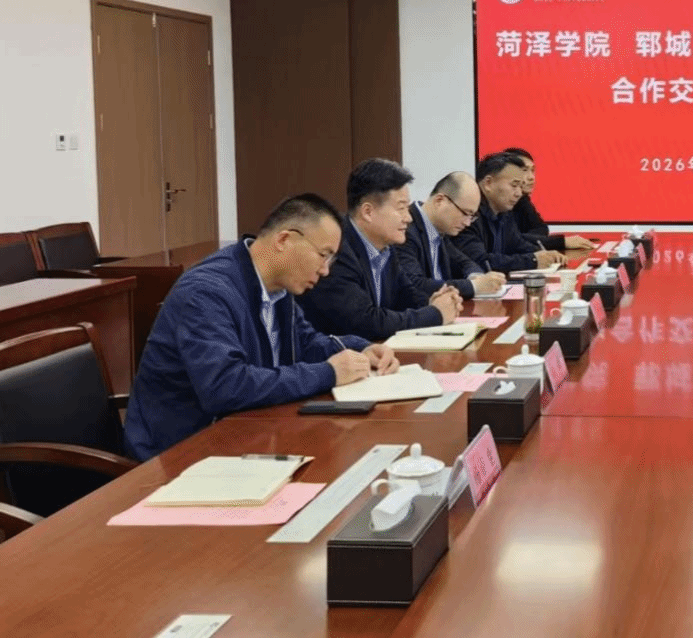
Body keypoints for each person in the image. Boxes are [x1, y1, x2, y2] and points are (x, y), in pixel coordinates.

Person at [124, 194, 399, 461]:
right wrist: (329, 373)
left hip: (244, 434)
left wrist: (361, 348)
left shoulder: (277, 286)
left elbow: (305, 343)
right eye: (323, 255)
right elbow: (225, 386)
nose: (325, 270)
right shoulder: (206, 293)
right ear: (284, 240)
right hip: (179, 453)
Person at [298, 158, 463, 341]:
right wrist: (435, 314)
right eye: (401, 208)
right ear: (368, 212)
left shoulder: (385, 247)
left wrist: (436, 302)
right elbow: (366, 322)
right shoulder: (337, 250)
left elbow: (406, 295)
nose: (408, 218)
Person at [394, 170, 506, 300]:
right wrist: (474, 286)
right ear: (439, 201)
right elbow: (415, 285)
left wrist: (476, 277)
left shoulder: (441, 231)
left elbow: (465, 263)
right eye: (465, 213)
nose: (467, 223)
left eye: (472, 216)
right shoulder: (405, 230)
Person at [454, 151, 565, 274]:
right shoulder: (466, 214)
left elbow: (517, 245)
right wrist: (532, 260)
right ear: (488, 183)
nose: (519, 193)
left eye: (521, 186)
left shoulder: (503, 212)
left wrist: (543, 254)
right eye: (514, 185)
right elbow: (480, 261)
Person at [502, 147, 595, 253]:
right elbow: (510, 240)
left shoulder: (522, 199)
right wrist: (560, 242)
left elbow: (541, 228)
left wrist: (526, 239)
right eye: (524, 170)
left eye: (532, 170)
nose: (531, 177)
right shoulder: (499, 203)